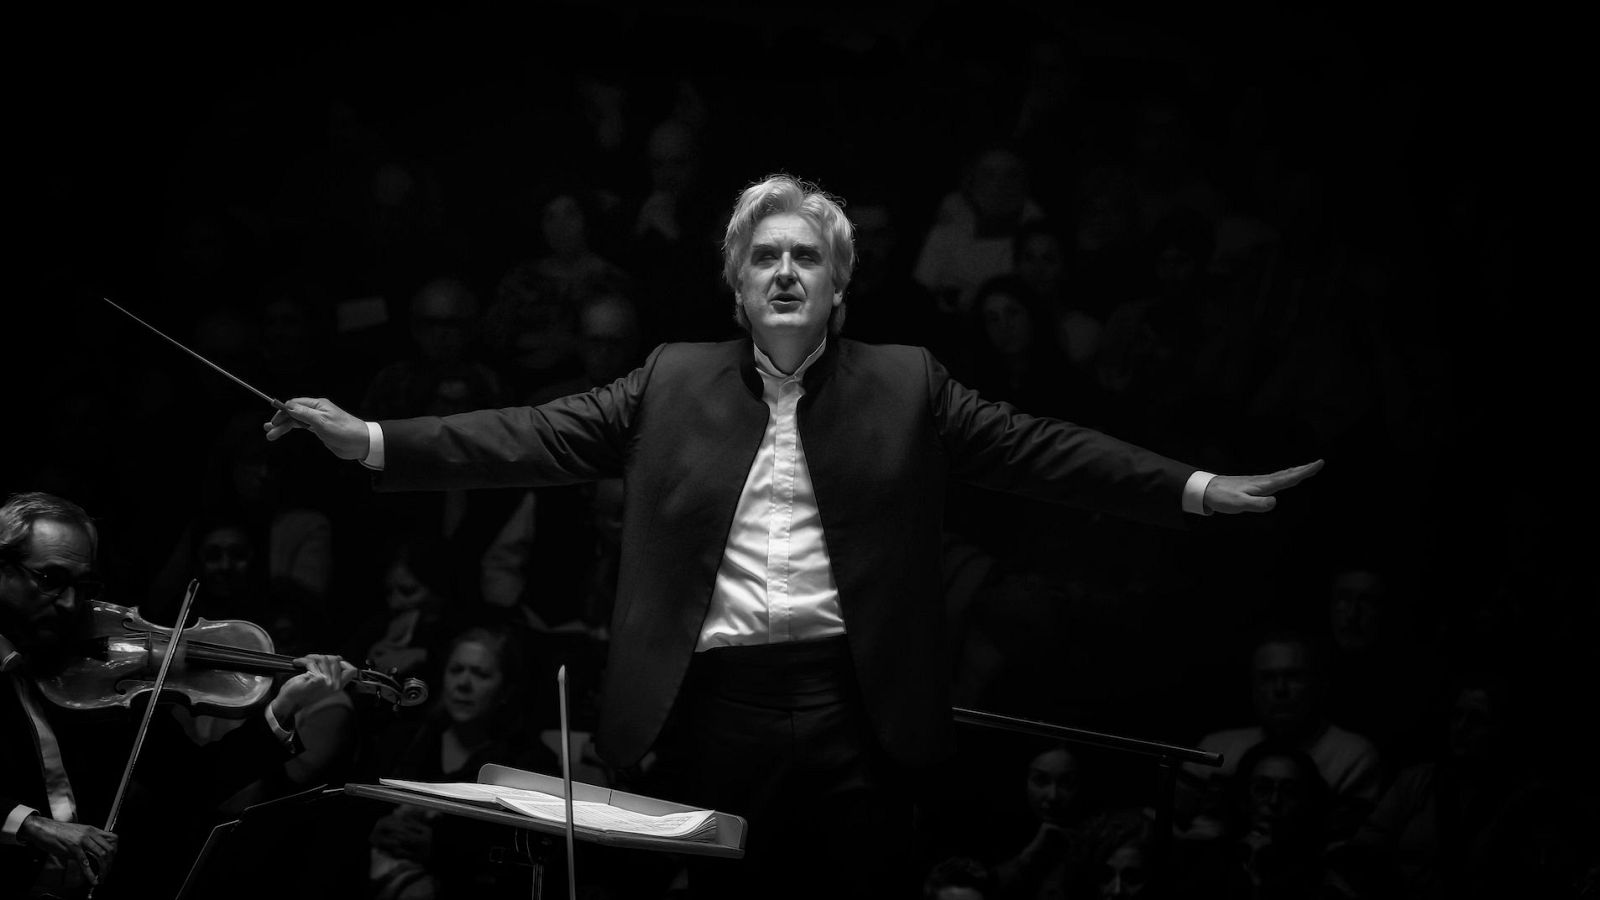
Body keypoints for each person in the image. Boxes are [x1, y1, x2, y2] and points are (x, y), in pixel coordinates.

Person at [265, 174, 1322, 898]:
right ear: (735, 284)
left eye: (804, 257)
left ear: (836, 286)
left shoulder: (906, 384)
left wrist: (1192, 486)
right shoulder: (671, 379)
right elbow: (529, 434)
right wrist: (368, 439)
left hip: (851, 705)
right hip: (703, 699)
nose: (782, 271)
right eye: (763, 256)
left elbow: (1040, 449)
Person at [0, 491, 357, 896]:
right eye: (51, 579)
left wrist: (284, 705)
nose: (70, 604)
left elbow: (194, 783)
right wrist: (30, 825)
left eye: (83, 586)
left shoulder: (102, 687)